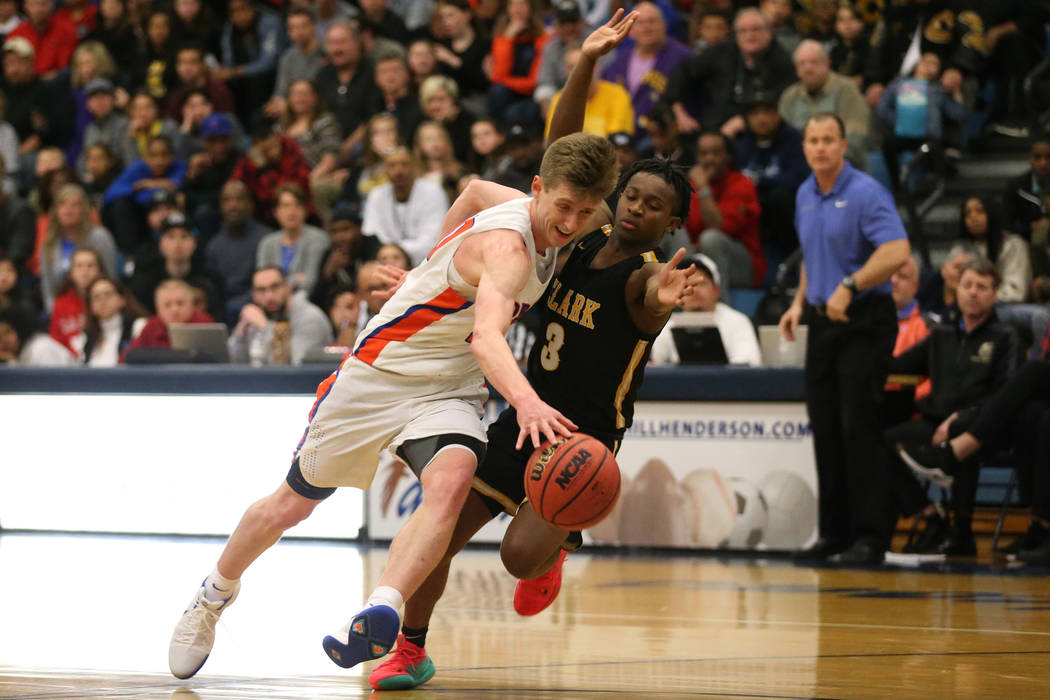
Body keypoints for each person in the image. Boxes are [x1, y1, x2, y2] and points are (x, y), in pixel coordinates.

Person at [168, 115, 624, 685]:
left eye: (585, 213)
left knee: (453, 480)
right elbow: (486, 337)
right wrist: (527, 403)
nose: (572, 224)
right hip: (379, 372)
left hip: (447, 382)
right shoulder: (508, 248)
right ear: (536, 188)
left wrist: (431, 265)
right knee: (293, 504)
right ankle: (212, 598)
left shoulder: (556, 210)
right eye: (563, 208)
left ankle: (382, 606)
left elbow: (475, 189)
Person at [779, 112, 911, 565]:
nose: (819, 148)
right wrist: (799, 303)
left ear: (843, 145)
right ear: (805, 148)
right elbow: (813, 257)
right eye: (812, 140)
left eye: (828, 140)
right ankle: (833, 534)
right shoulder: (805, 193)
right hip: (823, 320)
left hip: (864, 319)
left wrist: (851, 285)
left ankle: (870, 537)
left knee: (859, 425)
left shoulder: (866, 193)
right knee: (826, 427)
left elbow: (897, 251)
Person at [885, 259, 1018, 556]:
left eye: (982, 287)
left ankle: (963, 532)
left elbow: (1006, 394)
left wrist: (963, 416)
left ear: (994, 293)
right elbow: (897, 365)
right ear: (956, 290)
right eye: (967, 285)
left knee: (963, 431)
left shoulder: (1005, 336)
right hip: (934, 423)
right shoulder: (941, 335)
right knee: (881, 441)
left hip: (984, 427)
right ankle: (931, 517)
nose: (973, 293)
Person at [666, 7, 794, 140]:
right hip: (714, 126)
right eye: (743, 31)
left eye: (756, 29)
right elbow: (684, 71)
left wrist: (745, 120)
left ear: (769, 32)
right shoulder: (724, 50)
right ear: (736, 34)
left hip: (758, 134)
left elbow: (783, 102)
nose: (749, 36)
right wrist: (679, 111)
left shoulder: (782, 61)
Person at [686, 131, 764, 297]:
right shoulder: (689, 187)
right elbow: (685, 230)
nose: (709, 159)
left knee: (711, 238)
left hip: (742, 266)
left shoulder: (742, 183)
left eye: (715, 153)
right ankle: (672, 310)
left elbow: (717, 226)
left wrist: (704, 189)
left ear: (727, 156)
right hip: (700, 259)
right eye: (703, 154)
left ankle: (720, 306)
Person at [876, 51, 965, 194]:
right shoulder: (897, 84)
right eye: (926, 62)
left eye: (935, 64)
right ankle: (897, 186)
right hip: (903, 135)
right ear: (916, 64)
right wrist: (899, 120)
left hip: (928, 136)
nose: (930, 67)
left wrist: (956, 91)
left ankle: (940, 189)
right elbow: (882, 109)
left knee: (936, 151)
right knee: (888, 145)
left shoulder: (938, 89)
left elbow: (957, 114)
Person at [650, 253, 761, 366]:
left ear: (717, 290)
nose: (695, 290)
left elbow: (748, 365)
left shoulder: (738, 322)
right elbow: (654, 363)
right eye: (687, 285)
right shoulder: (668, 324)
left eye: (702, 283)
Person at [777, 40, 870, 169]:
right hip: (798, 169)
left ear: (827, 64)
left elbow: (855, 138)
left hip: (844, 168)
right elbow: (781, 140)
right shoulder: (789, 97)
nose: (808, 68)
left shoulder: (847, 90)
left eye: (814, 62)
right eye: (802, 64)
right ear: (796, 70)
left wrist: (819, 159)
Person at [601, 1, 690, 134]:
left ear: (664, 25)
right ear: (631, 31)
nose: (647, 27)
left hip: (662, 136)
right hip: (619, 135)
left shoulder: (683, 57)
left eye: (652, 21)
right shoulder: (618, 60)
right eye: (640, 23)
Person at [361, 146, 449, 267]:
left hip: (427, 262)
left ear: (414, 167)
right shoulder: (377, 195)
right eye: (392, 165)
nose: (399, 170)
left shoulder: (433, 192)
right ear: (385, 171)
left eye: (404, 164)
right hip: (387, 261)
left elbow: (434, 238)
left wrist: (397, 253)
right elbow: (372, 233)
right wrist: (392, 255)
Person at [228, 266, 333, 366]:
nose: (269, 296)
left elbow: (294, 364)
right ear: (254, 296)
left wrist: (265, 326)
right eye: (261, 290)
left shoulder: (310, 318)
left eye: (274, 287)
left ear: (288, 288)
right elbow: (235, 363)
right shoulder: (259, 316)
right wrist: (240, 334)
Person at [129, 211, 224, 320]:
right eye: (171, 237)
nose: (178, 243)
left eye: (184, 236)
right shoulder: (145, 282)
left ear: (194, 244)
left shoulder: (210, 281)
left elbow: (218, 318)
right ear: (161, 244)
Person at [39, 184, 118, 312]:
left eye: (74, 205)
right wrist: (55, 312)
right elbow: (48, 288)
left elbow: (112, 278)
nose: (68, 210)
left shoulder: (100, 237)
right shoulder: (48, 244)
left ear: (84, 210)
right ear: (55, 211)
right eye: (62, 205)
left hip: (99, 308)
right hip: (63, 310)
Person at [205, 181, 269, 325]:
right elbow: (213, 286)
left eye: (239, 199)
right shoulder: (214, 245)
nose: (233, 205)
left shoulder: (265, 239)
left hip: (256, 304)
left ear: (251, 205)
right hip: (223, 307)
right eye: (227, 200)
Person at [544, 42, 633, 140]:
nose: (578, 72)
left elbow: (615, 140)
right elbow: (552, 140)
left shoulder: (617, 94)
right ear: (565, 71)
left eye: (583, 66)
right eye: (571, 67)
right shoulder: (559, 99)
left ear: (595, 67)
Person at [256, 184, 330, 296]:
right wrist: (295, 280)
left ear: (305, 210)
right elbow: (261, 283)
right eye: (286, 206)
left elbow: (310, 283)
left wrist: (277, 286)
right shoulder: (267, 243)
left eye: (297, 205)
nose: (292, 211)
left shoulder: (318, 239)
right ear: (276, 212)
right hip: (270, 301)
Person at [959, 195, 1031, 303]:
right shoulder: (961, 248)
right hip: (970, 307)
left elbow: (1015, 293)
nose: (973, 218)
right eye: (967, 214)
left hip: (1005, 306)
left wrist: (980, 298)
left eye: (980, 211)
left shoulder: (1013, 245)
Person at [74, 275, 147, 365]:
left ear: (122, 299)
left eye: (108, 294)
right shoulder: (85, 338)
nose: (102, 300)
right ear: (90, 306)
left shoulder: (139, 327)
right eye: (96, 297)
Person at [1002, 138, 1050, 241]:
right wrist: (1031, 227)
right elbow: (1007, 226)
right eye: (1038, 157)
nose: (1043, 163)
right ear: (1030, 159)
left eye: (1048, 158)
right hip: (1025, 242)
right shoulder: (1015, 187)